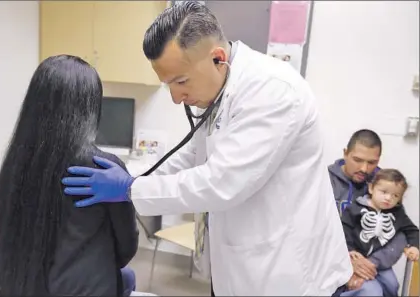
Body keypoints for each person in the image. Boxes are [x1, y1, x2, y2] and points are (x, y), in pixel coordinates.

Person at [61, 2, 352, 295]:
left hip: (288, 273)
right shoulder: (222, 89)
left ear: (218, 58)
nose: (176, 98)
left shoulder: (273, 91)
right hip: (241, 266)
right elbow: (191, 157)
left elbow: (221, 183)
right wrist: (130, 175)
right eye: (167, 85)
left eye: (181, 81)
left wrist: (130, 190)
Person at [0, 55, 138, 296]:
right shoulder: (105, 169)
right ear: (90, 108)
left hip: (21, 288)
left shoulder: (15, 164)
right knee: (127, 276)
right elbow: (125, 250)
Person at [328, 129, 408, 288]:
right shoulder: (324, 182)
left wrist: (371, 263)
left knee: (390, 286)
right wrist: (347, 259)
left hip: (371, 264)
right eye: (357, 160)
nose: (364, 169)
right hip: (331, 261)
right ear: (345, 153)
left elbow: (401, 233)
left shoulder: (385, 186)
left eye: (371, 163)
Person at [340, 169, 419, 296]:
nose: (388, 198)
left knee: (392, 285)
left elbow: (412, 230)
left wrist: (414, 246)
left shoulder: (398, 213)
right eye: (384, 192)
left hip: (381, 264)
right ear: (371, 188)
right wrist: (350, 250)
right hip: (356, 259)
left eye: (395, 196)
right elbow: (344, 229)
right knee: (367, 289)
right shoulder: (355, 208)